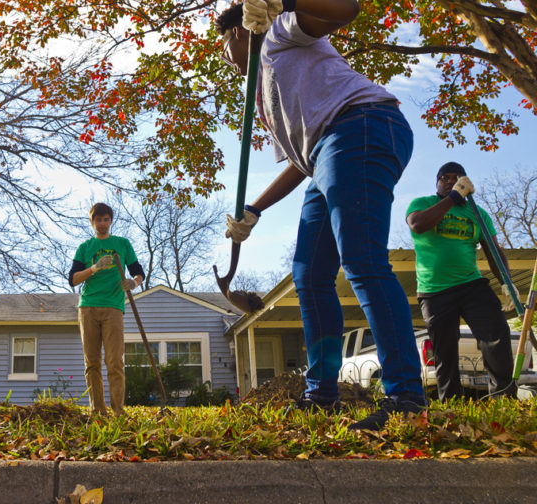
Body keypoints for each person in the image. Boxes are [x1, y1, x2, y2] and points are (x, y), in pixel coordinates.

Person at [216, 0, 425, 430]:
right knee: (309, 275)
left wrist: (282, 2)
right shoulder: (267, 92)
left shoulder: (279, 34)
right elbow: (301, 162)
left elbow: (345, 9)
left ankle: (406, 398)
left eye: (221, 45)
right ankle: (321, 395)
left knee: (362, 261)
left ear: (237, 33)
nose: (223, 57)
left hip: (360, 126)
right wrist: (254, 209)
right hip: (327, 152)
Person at [406, 162, 518, 400]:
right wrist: (454, 197)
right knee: (444, 352)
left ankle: (504, 397)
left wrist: (507, 282)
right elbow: (418, 225)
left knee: (496, 333)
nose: (450, 181)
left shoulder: (478, 214)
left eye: (457, 178)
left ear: (466, 184)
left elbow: (493, 251)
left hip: (471, 285)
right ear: (437, 182)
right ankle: (452, 406)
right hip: (434, 291)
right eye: (445, 178)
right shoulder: (423, 204)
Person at [69, 203, 145, 415]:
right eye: (98, 220)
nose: (102, 224)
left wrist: (134, 283)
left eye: (105, 220)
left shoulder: (122, 244)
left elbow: (138, 272)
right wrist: (94, 267)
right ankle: (98, 411)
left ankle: (118, 411)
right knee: (92, 362)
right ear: (92, 222)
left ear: (110, 221)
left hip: (113, 307)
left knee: (114, 361)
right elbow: (73, 279)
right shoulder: (85, 247)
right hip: (88, 307)